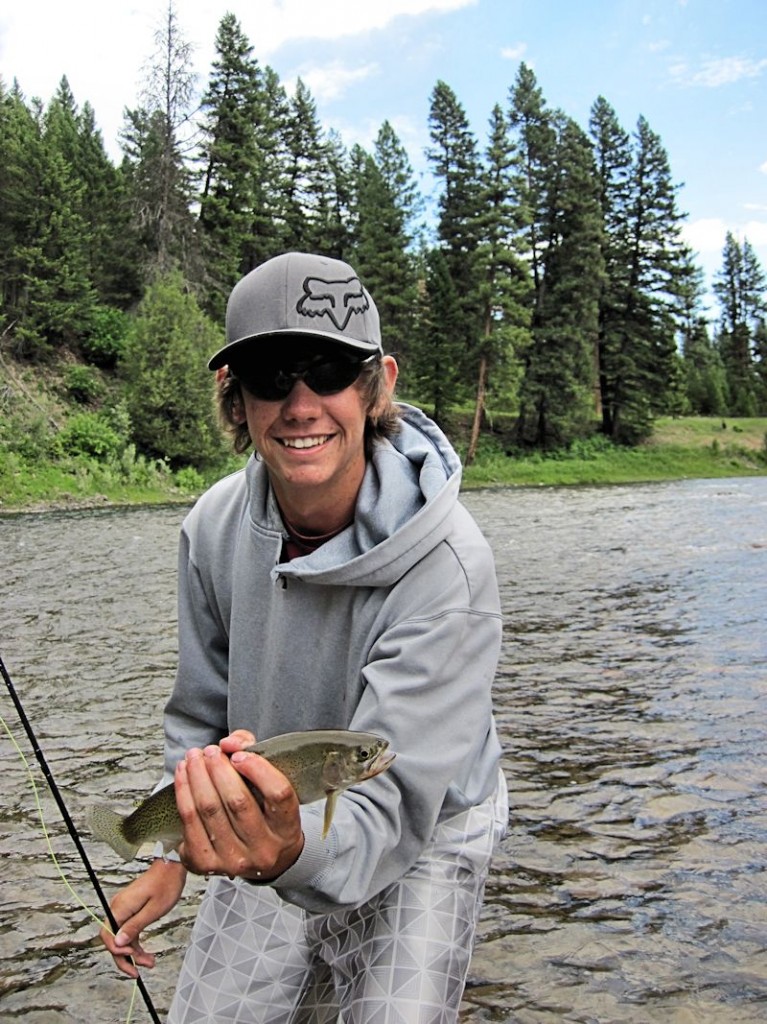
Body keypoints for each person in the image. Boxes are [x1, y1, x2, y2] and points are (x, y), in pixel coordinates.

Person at [99, 251, 509, 1023]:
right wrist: (170, 852)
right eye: (269, 374)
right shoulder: (212, 528)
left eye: (326, 369)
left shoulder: (450, 568)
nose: (300, 403)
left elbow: (390, 800)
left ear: (376, 383)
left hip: (424, 819)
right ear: (235, 396)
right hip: (273, 802)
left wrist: (292, 849)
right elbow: (199, 716)